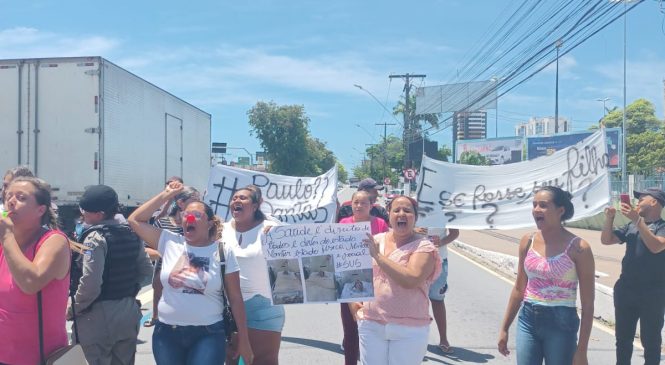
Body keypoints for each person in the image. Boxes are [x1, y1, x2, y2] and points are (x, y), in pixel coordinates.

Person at [128, 181, 253, 365]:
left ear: (210, 223)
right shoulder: (169, 241)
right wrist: (167, 194)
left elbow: (235, 298)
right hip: (167, 334)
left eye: (196, 215)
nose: (189, 219)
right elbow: (135, 220)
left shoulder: (223, 251)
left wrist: (244, 340)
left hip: (208, 334)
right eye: (186, 215)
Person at [498, 186, 595, 365]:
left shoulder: (579, 248)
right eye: (534, 205)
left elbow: (588, 305)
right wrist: (504, 328)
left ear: (560, 211)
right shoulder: (528, 241)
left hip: (562, 323)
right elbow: (519, 288)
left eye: (543, 205)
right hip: (527, 319)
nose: (536, 210)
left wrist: (581, 351)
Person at [69, 185, 153, 364]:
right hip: (127, 310)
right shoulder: (131, 233)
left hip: (97, 315)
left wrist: (73, 309)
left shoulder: (94, 238)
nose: (82, 214)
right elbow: (146, 270)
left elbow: (90, 283)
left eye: (85, 211)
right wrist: (126, 289)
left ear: (99, 214)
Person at [354, 195, 441, 365]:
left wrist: (378, 256)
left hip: (409, 330)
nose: (401, 214)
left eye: (407, 211)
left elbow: (411, 279)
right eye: (396, 210)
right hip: (371, 325)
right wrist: (353, 303)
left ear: (415, 217)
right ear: (389, 214)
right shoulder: (376, 240)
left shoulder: (424, 247)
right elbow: (355, 272)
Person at [0, 177, 70, 365]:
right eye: (8, 196)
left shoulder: (54, 241)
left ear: (41, 210)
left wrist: (6, 236)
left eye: (21, 197)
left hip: (39, 357)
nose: (11, 201)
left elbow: (31, 283)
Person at [601, 188, 665, 365]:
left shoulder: (662, 227)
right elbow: (606, 240)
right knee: (623, 340)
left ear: (654, 202)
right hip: (626, 290)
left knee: (650, 342)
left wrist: (637, 220)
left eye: (642, 198)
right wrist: (610, 218)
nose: (637, 201)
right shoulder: (631, 226)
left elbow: (656, 246)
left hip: (653, 294)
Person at [221, 185, 285, 365]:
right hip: (228, 309)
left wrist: (278, 237)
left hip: (262, 305)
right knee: (231, 360)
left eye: (242, 198)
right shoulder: (220, 230)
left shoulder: (271, 229)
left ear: (256, 206)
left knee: (262, 361)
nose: (236, 201)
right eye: (234, 198)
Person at [338, 190, 389, 365]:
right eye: (356, 203)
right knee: (350, 330)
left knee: (372, 329)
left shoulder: (381, 224)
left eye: (363, 203)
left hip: (376, 283)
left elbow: (388, 249)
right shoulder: (342, 223)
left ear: (371, 206)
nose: (359, 206)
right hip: (349, 283)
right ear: (351, 204)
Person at [144, 186, 200, 328]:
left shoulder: (198, 223)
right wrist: (164, 253)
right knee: (158, 288)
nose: (199, 203)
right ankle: (156, 316)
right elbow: (147, 246)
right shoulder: (162, 223)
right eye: (194, 200)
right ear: (181, 203)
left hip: (190, 267)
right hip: (164, 266)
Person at [427, 226, 459, 355]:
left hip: (439, 259)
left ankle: (443, 339)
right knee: (417, 300)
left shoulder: (445, 209)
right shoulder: (413, 207)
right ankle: (417, 339)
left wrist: (441, 242)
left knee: (437, 300)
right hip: (415, 258)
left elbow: (454, 233)